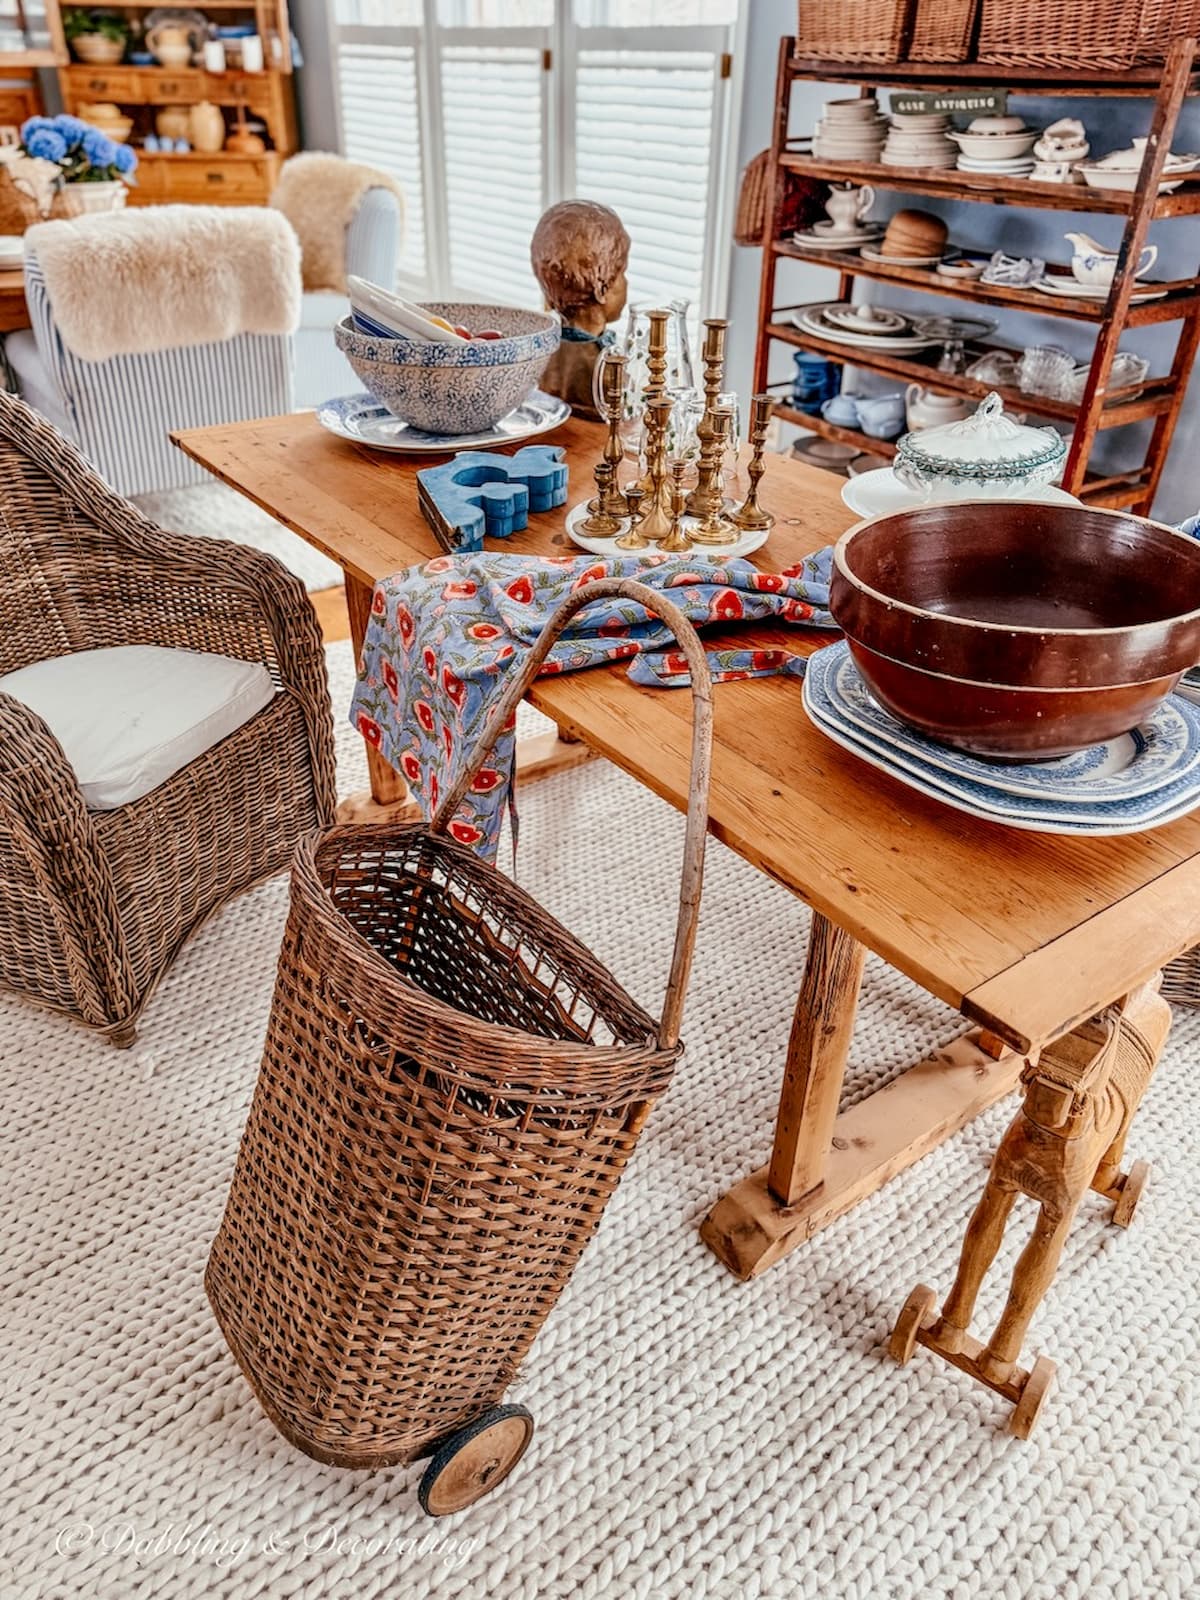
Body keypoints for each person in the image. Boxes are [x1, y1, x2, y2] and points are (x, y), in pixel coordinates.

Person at [530, 199, 630, 421]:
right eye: (622, 273)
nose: (627, 283)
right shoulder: (607, 366)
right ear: (601, 288)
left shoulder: (542, 350)